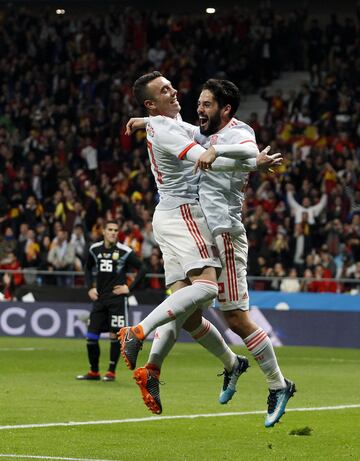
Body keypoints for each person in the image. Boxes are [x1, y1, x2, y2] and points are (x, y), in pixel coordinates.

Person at [126, 77, 294, 428]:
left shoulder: (237, 132)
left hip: (225, 233)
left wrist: (222, 152)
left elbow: (250, 153)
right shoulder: (202, 134)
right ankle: (222, 366)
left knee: (235, 319)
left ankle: (279, 385)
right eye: (199, 104)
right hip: (197, 227)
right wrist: (148, 121)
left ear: (225, 109)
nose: (198, 109)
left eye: (205, 105)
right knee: (184, 314)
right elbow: (179, 129)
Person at [76, 220, 146, 382]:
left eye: (116, 230)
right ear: (104, 232)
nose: (113, 232)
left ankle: (111, 372)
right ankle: (94, 372)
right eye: (110, 229)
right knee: (91, 336)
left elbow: (143, 268)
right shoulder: (95, 249)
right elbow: (87, 268)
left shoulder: (125, 251)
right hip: (100, 299)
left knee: (115, 335)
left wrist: (129, 287)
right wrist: (89, 287)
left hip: (117, 300)